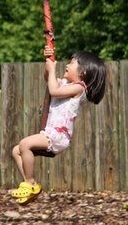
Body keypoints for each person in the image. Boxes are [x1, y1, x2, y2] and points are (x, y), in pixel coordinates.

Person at [11, 46, 106, 204]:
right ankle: (31, 186)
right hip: (50, 134)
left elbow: (53, 91)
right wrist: (47, 61)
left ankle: (29, 182)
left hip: (58, 136)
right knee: (16, 151)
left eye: (72, 62)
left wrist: (52, 69)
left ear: (83, 72)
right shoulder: (65, 84)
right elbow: (48, 80)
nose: (67, 65)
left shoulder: (79, 88)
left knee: (24, 144)